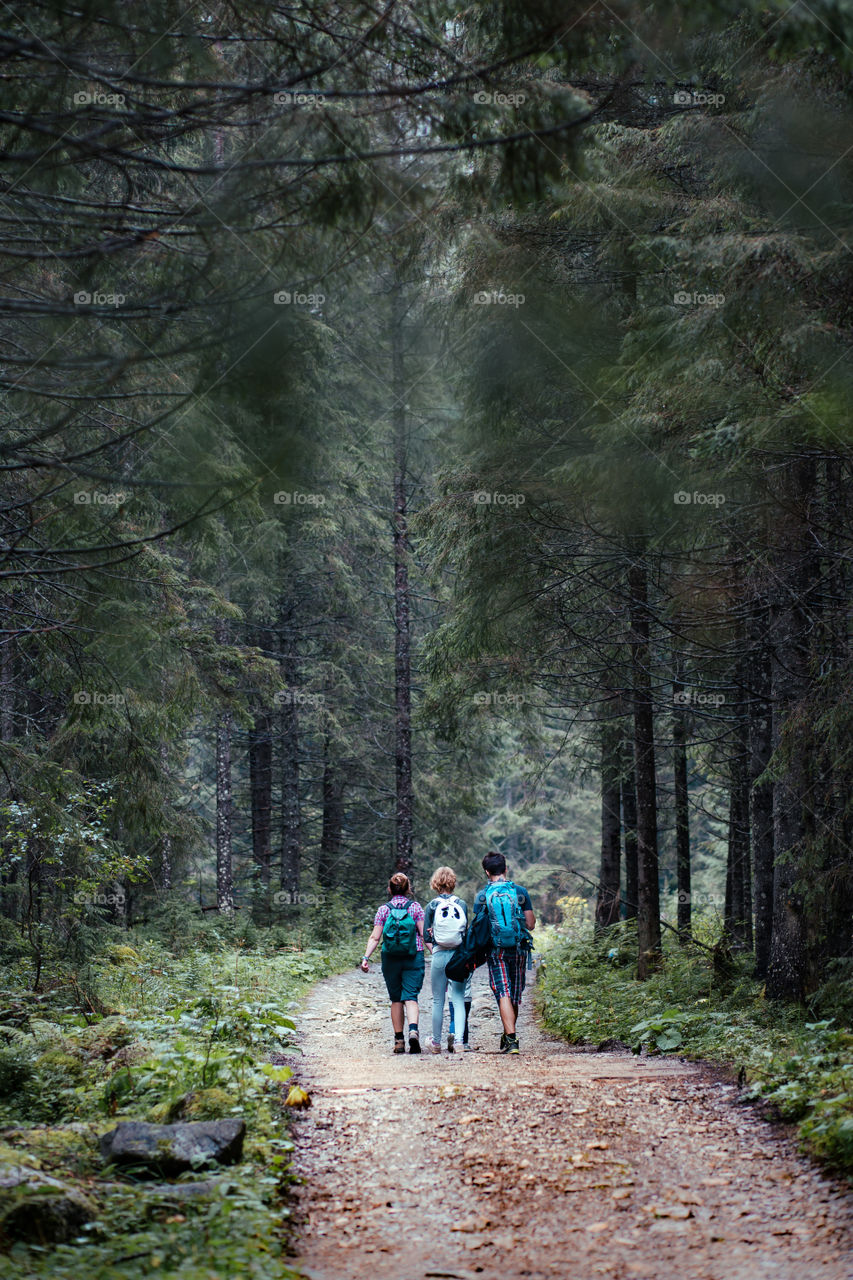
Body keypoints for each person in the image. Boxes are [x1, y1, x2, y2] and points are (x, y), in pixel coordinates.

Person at [473, 851, 535, 1054]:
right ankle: (510, 1034)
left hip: (495, 950)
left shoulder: (482, 897)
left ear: (486, 872)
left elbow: (480, 928)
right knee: (514, 995)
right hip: (518, 949)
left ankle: (511, 1038)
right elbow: (531, 924)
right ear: (505, 869)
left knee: (503, 992)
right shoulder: (520, 892)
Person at [360, 872, 429, 1054]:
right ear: (408, 889)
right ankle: (413, 1030)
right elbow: (424, 934)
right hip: (413, 956)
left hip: (390, 958)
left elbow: (375, 937)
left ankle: (399, 1040)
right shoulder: (415, 908)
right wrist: (435, 951)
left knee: (396, 998)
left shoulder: (384, 910)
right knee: (411, 997)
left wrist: (366, 958)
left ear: (390, 889)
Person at [423, 866, 468, 1054]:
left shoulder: (431, 906)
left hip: (439, 955)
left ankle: (436, 1043)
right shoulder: (462, 904)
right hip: (458, 956)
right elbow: (466, 933)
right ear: (452, 882)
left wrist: (436, 950)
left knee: (438, 1000)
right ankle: (458, 1042)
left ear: (436, 883)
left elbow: (426, 937)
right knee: (458, 998)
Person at [448, 972, 473, 1049]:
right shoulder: (469, 964)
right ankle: (464, 1043)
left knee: (453, 1018)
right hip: (466, 997)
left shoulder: (450, 966)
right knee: (464, 1020)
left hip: (452, 997)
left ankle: (452, 1033)